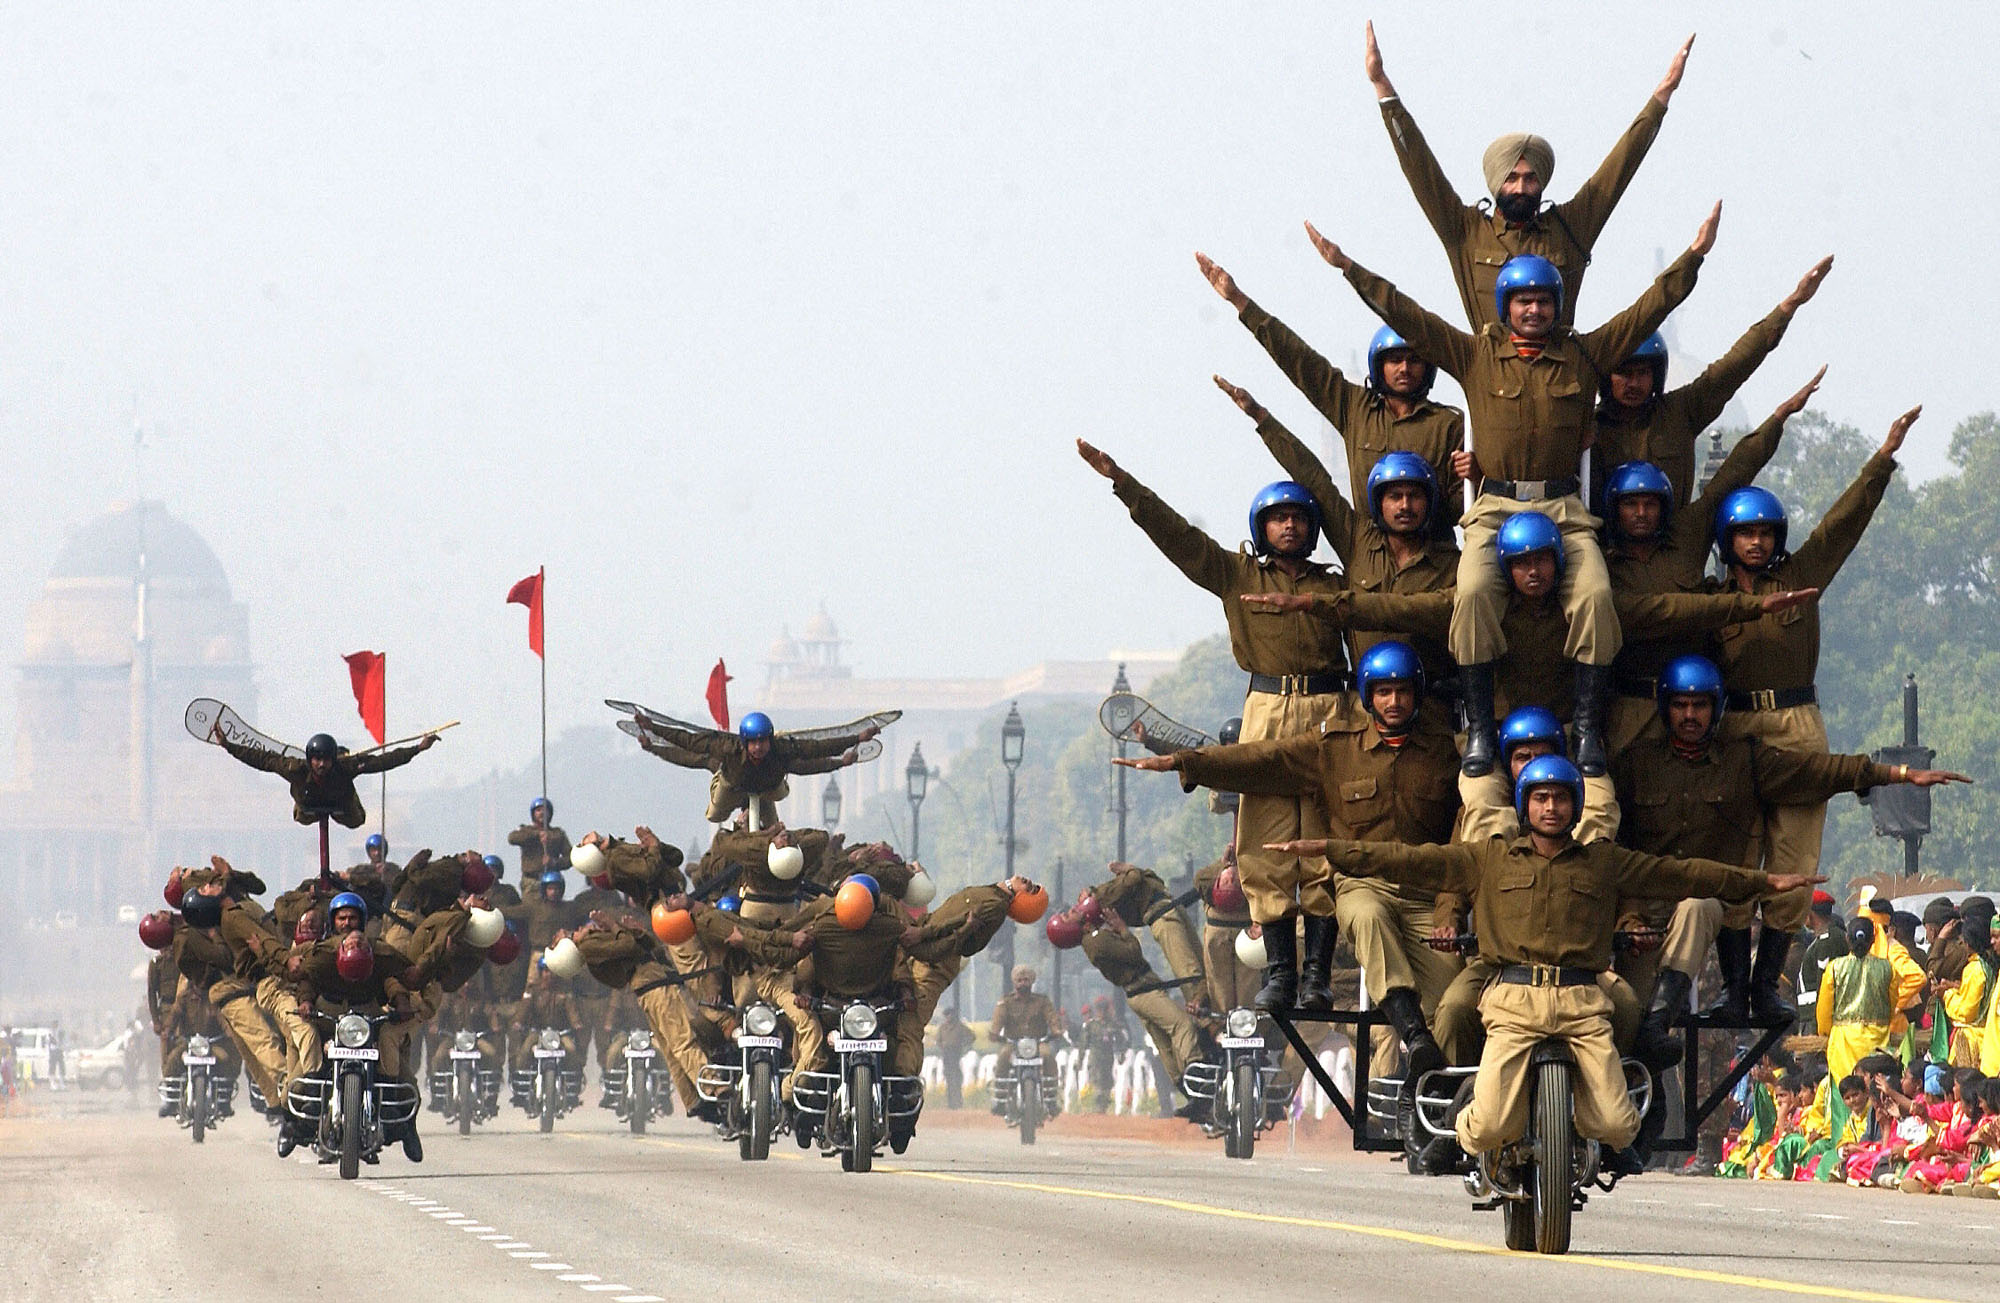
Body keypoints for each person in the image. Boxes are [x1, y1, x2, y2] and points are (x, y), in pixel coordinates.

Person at [1306, 205, 1721, 775]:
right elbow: (1408, 312)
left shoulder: (1583, 354)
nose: (1534, 311)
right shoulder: (1475, 355)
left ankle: (1587, 727)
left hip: (1564, 507)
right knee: (1472, 594)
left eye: (1544, 302)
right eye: (1523, 302)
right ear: (1506, 307)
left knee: (1597, 598)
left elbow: (1647, 310)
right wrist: (1348, 268)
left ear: (1557, 307)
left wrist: (1693, 258)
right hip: (1496, 506)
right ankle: (1479, 727)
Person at [1269, 754, 1822, 1177]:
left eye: (1560, 798)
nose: (1551, 808)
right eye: (1540, 798)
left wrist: (1764, 882)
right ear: (1523, 804)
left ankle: (1624, 1106)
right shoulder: (1488, 856)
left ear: (1576, 806)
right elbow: (1410, 858)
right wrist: (1330, 848)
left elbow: (1684, 875)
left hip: (1584, 1003)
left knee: (1616, 1126)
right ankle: (1439, 1125)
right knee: (1484, 1127)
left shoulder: (1605, 860)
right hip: (1511, 1000)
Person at [1120, 641, 1458, 1094]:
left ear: (1417, 694)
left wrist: (1449, 909)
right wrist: (1181, 763)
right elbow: (1260, 757)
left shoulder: (1444, 754)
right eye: (1383, 692)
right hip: (1365, 888)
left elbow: (1463, 837)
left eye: (1402, 691)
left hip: (1423, 896)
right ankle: (1408, 1033)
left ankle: (1432, 1109)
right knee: (1365, 914)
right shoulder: (1336, 748)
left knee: (1454, 1007)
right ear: (1366, 695)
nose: (1393, 702)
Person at [1077, 438, 1349, 999]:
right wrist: (1124, 484)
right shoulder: (1237, 575)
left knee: (1324, 840)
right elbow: (1180, 539)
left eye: (1299, 518)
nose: (1290, 528)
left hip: (1329, 709)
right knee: (1264, 843)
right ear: (1261, 527)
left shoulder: (1333, 584)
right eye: (1279, 519)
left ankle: (1317, 975)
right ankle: (1279, 974)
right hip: (1268, 709)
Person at [1614, 655, 1967, 1034]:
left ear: (1716, 708)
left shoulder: (1742, 759)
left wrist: (1897, 775)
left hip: (1705, 902)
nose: (1689, 715)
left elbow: (1817, 771)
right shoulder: (1636, 763)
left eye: (1699, 705)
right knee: (1628, 1016)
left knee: (1695, 912)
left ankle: (1664, 1021)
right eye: (1680, 705)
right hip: (1642, 908)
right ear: (1665, 708)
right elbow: (1616, 847)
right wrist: (1626, 916)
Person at [1708, 407, 1921, 904]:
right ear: (1728, 540)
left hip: (1797, 722)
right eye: (1745, 533)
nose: (1757, 542)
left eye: (1765, 533)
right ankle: (1736, 980)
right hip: (1733, 728)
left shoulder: (1801, 577)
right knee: (1736, 859)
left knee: (1796, 858)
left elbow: (1841, 526)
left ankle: (1765, 982)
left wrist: (1883, 459)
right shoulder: (1708, 600)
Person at [1363, 22, 1692, 331]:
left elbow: (1618, 170)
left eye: (1530, 178)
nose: (1521, 187)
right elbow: (1422, 171)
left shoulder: (1570, 228)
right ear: (1495, 183)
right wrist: (1383, 89)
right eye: (1511, 178)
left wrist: (1661, 98)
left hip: (1562, 382)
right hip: (1491, 381)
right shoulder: (1465, 232)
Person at [1602, 369, 1825, 754]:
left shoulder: (1686, 535)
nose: (1641, 513)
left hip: (1692, 709)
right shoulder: (1597, 558)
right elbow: (1662, 611)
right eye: (1630, 505)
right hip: (1628, 704)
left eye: (1650, 504)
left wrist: (1778, 420)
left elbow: (1733, 474)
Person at [1214, 379, 1457, 683]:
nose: (1405, 506)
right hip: (1365, 710)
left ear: (1430, 502)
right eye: (1394, 497)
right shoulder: (1358, 540)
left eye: (1414, 496)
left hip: (1434, 707)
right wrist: (1262, 419)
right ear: (1378, 503)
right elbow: (1314, 479)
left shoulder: (1452, 564)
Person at [1196, 259, 1464, 527]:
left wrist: (1472, 475)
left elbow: (1465, 503)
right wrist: (1240, 302)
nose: (1404, 369)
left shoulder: (1449, 424)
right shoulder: (1355, 409)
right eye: (1395, 360)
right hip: (1371, 551)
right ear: (1379, 366)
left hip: (1434, 555)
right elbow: (1301, 361)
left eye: (1414, 361)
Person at [1595, 260, 1832, 503]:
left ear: (1656, 376)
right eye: (1624, 373)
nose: (1634, 383)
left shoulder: (1679, 413)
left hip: (1675, 537)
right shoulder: (1589, 427)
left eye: (1642, 373)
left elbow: (1730, 369)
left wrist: (1791, 304)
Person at [621, 709, 889, 826]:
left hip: (766, 791)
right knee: (714, 817)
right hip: (732, 787)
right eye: (754, 743)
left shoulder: (782, 749)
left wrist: (848, 750)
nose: (759, 748)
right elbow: (687, 744)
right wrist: (653, 736)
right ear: (745, 742)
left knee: (776, 829)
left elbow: (815, 752)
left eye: (763, 742)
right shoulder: (726, 749)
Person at [1075, 915, 1206, 1119]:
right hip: (1144, 990)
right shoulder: (1097, 940)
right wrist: (1123, 930)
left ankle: (1190, 1094)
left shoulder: (1091, 942)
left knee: (1165, 1045)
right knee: (1183, 1025)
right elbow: (1133, 952)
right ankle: (1198, 1077)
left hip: (1139, 992)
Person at [213, 727, 437, 829]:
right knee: (302, 817)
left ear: (334, 759)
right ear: (310, 759)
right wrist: (228, 745)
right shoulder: (294, 768)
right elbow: (260, 758)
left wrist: (417, 749)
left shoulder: (346, 766)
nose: (321, 765)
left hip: (341, 803)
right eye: (317, 760)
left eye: (326, 760)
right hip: (308, 804)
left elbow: (383, 761)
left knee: (357, 821)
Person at [989, 965, 1064, 1103]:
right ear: (1014, 982)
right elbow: (998, 1020)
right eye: (1019, 980)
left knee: (1048, 1056)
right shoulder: (1006, 1001)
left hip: (1038, 1042)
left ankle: (1051, 1097)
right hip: (1013, 1043)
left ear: (1032, 981)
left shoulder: (1042, 1001)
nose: (1023, 983)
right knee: (1003, 1057)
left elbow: (1052, 1017)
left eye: (1026, 980)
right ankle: (1000, 1098)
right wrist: (994, 1033)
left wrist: (1056, 1030)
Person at [507, 797, 572, 880]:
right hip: (531, 882)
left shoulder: (557, 834)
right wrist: (536, 835)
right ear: (533, 814)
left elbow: (570, 858)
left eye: (545, 810)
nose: (542, 813)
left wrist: (554, 862)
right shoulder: (526, 831)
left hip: (552, 881)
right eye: (538, 810)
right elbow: (512, 838)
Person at [934, 1007, 974, 1108]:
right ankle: (950, 1103)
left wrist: (963, 1045)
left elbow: (972, 1037)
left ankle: (958, 1102)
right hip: (946, 1055)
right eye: (947, 1015)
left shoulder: (960, 1027)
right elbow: (938, 1040)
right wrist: (942, 1047)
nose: (949, 1017)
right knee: (949, 1079)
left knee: (957, 1078)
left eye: (950, 1014)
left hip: (956, 1054)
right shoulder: (942, 1028)